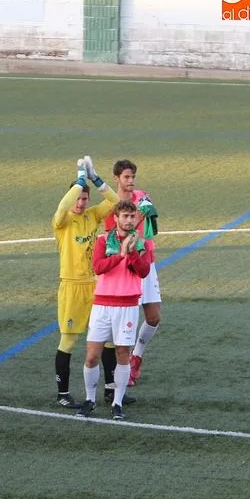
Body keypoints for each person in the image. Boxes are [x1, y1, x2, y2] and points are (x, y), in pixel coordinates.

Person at [51, 156, 119, 408]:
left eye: (83, 198)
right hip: (71, 287)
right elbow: (61, 208)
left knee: (109, 339)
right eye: (77, 198)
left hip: (95, 285)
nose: (80, 203)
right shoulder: (62, 222)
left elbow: (115, 202)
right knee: (68, 340)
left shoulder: (92, 216)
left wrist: (95, 178)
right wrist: (79, 180)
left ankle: (111, 390)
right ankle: (63, 394)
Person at [78, 200, 154, 420]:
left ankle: (117, 403)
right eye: (125, 216)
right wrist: (120, 254)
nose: (129, 220)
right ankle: (90, 399)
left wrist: (131, 253)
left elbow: (143, 271)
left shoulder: (142, 244)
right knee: (92, 356)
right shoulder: (104, 241)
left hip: (127, 305)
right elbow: (98, 266)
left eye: (132, 216)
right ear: (116, 219)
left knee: (122, 354)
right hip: (102, 305)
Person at [103, 159, 161, 386]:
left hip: (146, 261)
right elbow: (116, 237)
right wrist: (136, 218)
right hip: (126, 269)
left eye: (133, 177)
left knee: (154, 317)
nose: (131, 181)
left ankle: (136, 356)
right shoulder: (112, 206)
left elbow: (151, 218)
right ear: (116, 178)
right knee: (123, 323)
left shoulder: (141, 195)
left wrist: (147, 210)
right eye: (126, 177)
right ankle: (120, 368)